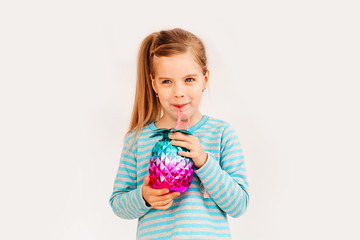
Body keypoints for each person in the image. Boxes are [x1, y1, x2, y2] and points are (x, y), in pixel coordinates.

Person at [109, 28, 250, 240]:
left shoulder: (221, 134)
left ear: (205, 79)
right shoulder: (138, 139)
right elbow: (118, 204)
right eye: (167, 81)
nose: (178, 92)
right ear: (154, 83)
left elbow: (238, 205)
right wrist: (144, 197)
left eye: (189, 80)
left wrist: (203, 162)